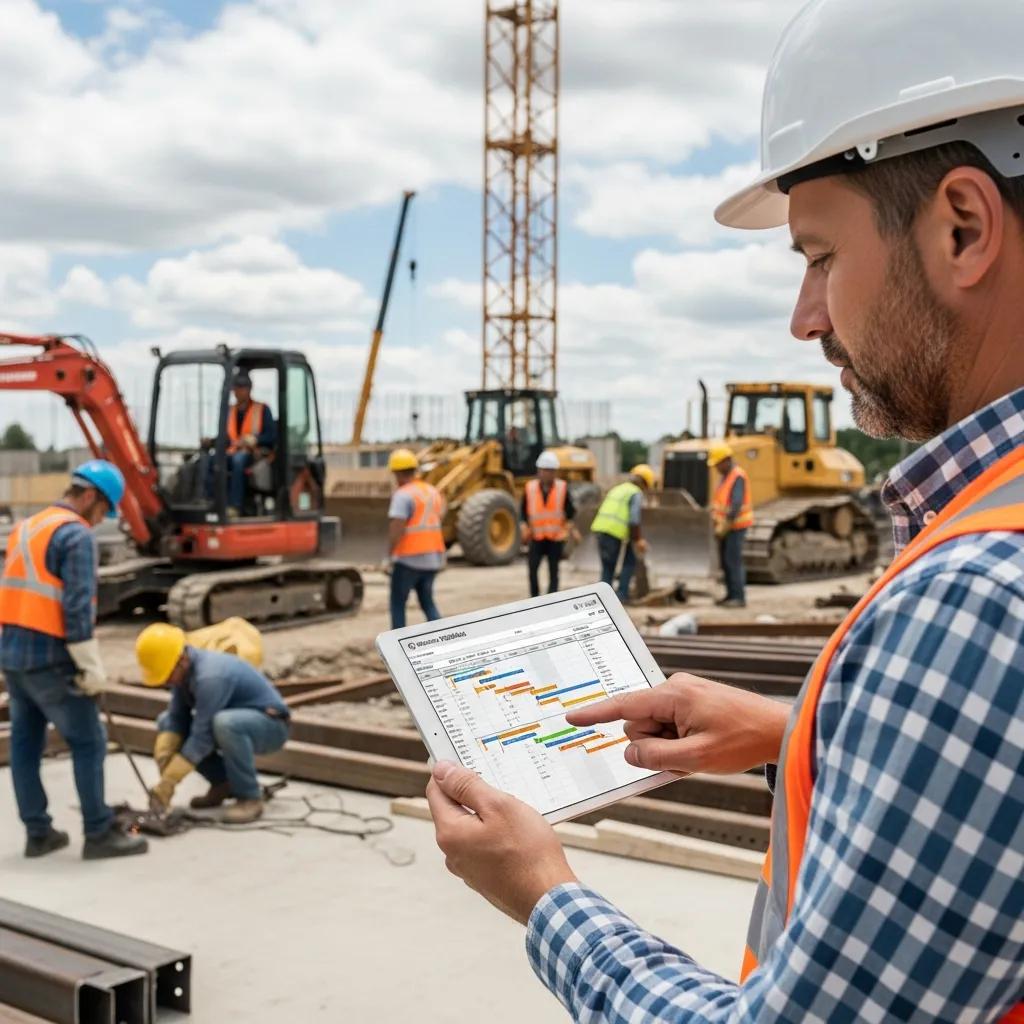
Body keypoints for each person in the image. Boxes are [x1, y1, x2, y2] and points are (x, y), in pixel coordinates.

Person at [423, 1, 1024, 1019]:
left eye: (818, 257)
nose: (803, 319)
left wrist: (541, 892)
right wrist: (804, 729)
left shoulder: (975, 597)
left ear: (960, 227)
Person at [0, 461, 148, 860]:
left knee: (26, 746)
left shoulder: (27, 527)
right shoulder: (75, 535)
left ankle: (38, 833)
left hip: (13, 652)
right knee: (88, 741)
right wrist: (89, 665)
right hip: (51, 656)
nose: (101, 519)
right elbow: (78, 607)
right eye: (103, 510)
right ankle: (99, 834)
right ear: (89, 497)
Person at [136, 623, 289, 824]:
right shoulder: (183, 672)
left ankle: (250, 797)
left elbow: (203, 735)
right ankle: (222, 783)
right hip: (235, 723)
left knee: (224, 724)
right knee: (166, 721)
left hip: (271, 725)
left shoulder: (211, 676)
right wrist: (164, 750)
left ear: (181, 661)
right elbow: (176, 717)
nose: (167, 682)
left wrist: (171, 779)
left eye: (167, 675)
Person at [387, 448, 445, 629]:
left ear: (397, 473)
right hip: (433, 558)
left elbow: (397, 526)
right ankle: (444, 640)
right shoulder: (432, 491)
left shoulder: (403, 495)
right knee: (427, 602)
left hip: (408, 560)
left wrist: (389, 555)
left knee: (397, 603)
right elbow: (441, 513)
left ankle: (397, 649)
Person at [589, 464, 654, 601]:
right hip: (614, 531)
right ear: (645, 483)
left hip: (601, 529)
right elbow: (634, 519)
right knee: (630, 561)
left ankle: (604, 598)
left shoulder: (619, 488)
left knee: (608, 567)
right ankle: (622, 595)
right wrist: (637, 539)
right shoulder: (636, 493)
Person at [521, 451, 579, 597]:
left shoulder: (562, 487)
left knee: (554, 571)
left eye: (551, 471)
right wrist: (523, 526)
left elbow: (570, 511)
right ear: (539, 471)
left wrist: (571, 529)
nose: (548, 474)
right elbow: (523, 510)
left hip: (555, 538)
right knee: (532, 569)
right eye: (545, 470)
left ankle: (552, 598)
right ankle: (534, 599)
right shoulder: (530, 487)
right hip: (537, 536)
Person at [225, 369, 276, 516]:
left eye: (241, 388)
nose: (237, 392)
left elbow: (271, 435)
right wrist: (212, 441)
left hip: (256, 455)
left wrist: (256, 439)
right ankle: (209, 500)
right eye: (235, 388)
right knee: (209, 460)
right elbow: (227, 437)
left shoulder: (262, 409)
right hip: (233, 452)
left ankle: (235, 507)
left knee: (239, 461)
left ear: (248, 389)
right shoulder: (230, 411)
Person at [709, 442, 753, 607]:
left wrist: (725, 525)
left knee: (733, 561)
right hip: (726, 526)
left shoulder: (737, 476)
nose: (716, 468)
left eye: (717, 464)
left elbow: (736, 504)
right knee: (726, 562)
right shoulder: (725, 477)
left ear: (726, 460)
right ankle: (730, 595)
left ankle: (738, 597)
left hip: (736, 526)